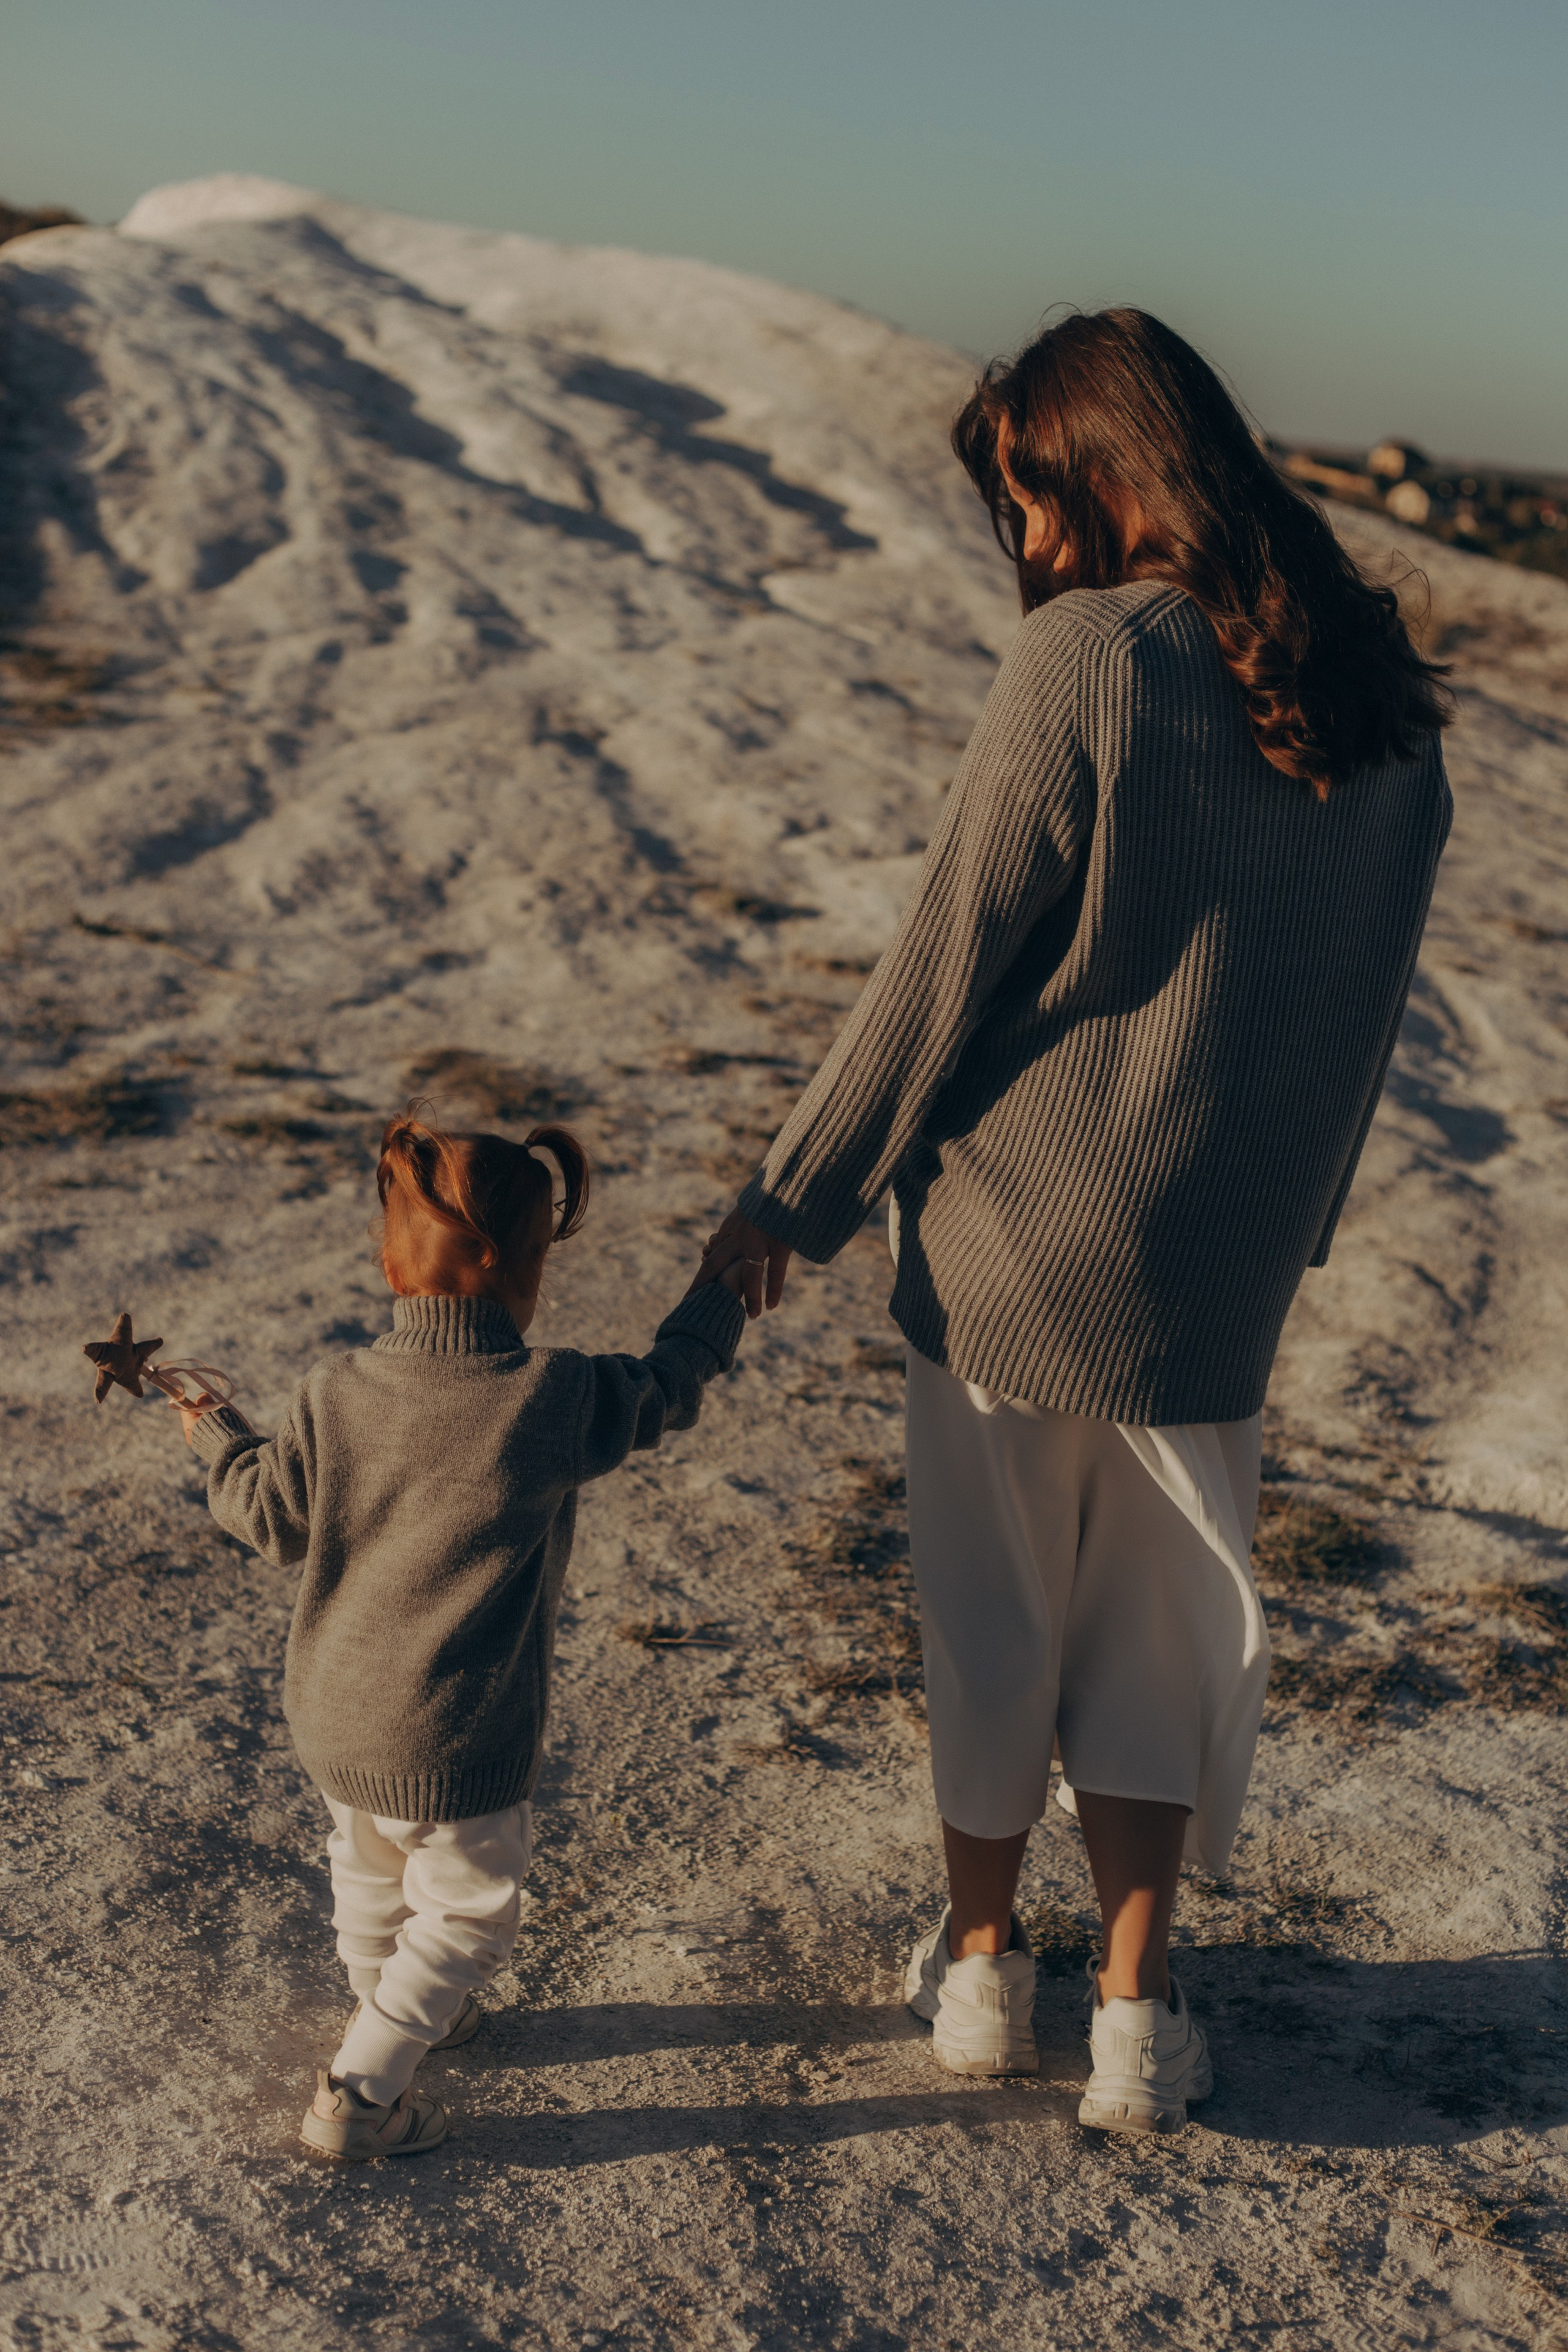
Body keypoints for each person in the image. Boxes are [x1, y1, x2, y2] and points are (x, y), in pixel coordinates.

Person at [701, 307, 1453, 2134]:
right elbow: (1366, 1007)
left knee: (994, 1619)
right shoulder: (1385, 701)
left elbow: (944, 962)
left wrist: (791, 1196)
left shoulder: (1093, 663)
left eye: (1034, 498)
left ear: (1113, 468)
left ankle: (980, 1979)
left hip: (1017, 1244)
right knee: (1161, 1635)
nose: (1028, 544)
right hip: (1218, 1266)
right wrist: (1295, 1228)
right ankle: (1135, 2016)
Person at [172, 1107, 746, 2162]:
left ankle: (383, 1999)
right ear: (523, 1269)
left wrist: (217, 1430)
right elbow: (667, 1386)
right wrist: (718, 1298)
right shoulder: (553, 1393)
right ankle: (362, 2087)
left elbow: (265, 1516)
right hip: (459, 1732)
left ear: (393, 1263)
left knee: (369, 1865)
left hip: (337, 1711)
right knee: (470, 1914)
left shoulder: (333, 1391)